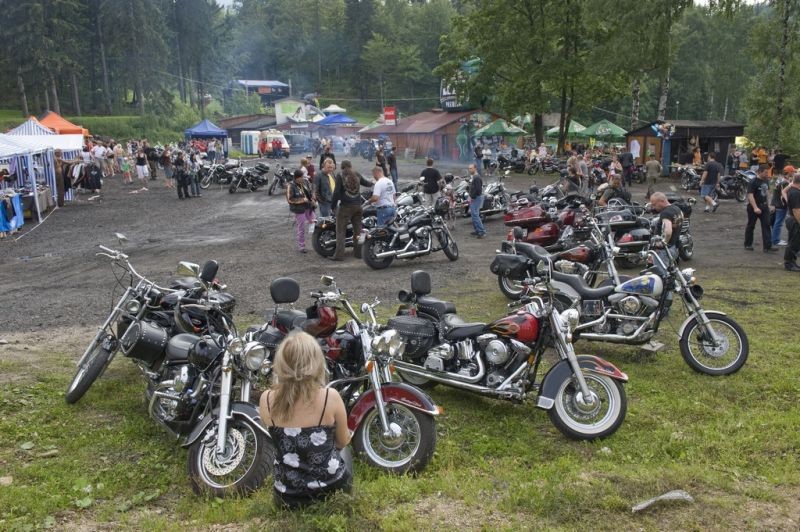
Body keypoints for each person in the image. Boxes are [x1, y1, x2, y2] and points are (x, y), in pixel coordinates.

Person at [258, 331, 352, 509]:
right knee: (344, 446)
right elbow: (342, 441)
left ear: (281, 362)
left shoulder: (266, 399)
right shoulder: (330, 397)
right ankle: (342, 497)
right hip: (331, 490)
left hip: (286, 496)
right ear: (316, 361)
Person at [330, 160, 372, 261]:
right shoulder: (357, 174)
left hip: (345, 207)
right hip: (358, 206)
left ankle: (339, 255)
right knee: (358, 231)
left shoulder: (340, 175)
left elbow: (336, 192)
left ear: (342, 166)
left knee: (341, 231)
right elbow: (366, 183)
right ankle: (359, 253)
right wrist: (375, 181)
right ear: (350, 166)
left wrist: (333, 205)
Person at [744, 165, 775, 252]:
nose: (767, 174)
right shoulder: (753, 182)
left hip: (764, 206)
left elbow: (767, 193)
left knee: (766, 225)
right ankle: (748, 244)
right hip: (754, 206)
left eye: (767, 172)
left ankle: (767, 246)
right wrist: (755, 208)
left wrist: (769, 205)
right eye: (765, 172)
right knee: (751, 225)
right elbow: (750, 195)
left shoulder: (766, 180)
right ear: (760, 172)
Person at [650, 192, 684, 267]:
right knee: (669, 271)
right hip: (674, 247)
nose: (653, 207)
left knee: (661, 271)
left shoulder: (665, 213)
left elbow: (668, 232)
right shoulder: (677, 209)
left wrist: (662, 244)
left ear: (662, 201)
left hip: (665, 251)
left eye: (654, 204)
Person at [287, 169, 316, 253]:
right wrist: (302, 200)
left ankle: (316, 241)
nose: (303, 178)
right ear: (296, 178)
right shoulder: (291, 186)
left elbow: (311, 190)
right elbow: (290, 199)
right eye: (301, 177)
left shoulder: (305, 182)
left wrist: (313, 197)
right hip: (299, 209)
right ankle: (301, 246)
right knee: (301, 227)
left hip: (308, 207)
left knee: (314, 221)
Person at [771, 165, 793, 247]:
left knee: (777, 222)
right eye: (792, 172)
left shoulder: (780, 179)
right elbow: (784, 194)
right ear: (789, 172)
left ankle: (774, 238)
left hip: (777, 203)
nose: (793, 173)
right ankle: (775, 240)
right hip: (781, 204)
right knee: (778, 223)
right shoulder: (785, 182)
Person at [782, 173, 800, 271]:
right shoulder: (795, 193)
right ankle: (788, 263)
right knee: (793, 242)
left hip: (792, 219)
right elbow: (796, 210)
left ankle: (792, 262)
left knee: (795, 242)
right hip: (794, 220)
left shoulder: (793, 190)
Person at [467, 163, 485, 238]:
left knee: (475, 215)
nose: (469, 170)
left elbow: (478, 190)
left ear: (475, 168)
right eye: (469, 168)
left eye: (471, 168)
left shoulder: (477, 177)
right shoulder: (474, 177)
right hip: (474, 198)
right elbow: (473, 188)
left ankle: (481, 231)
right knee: (474, 215)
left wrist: (472, 197)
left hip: (476, 198)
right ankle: (477, 230)